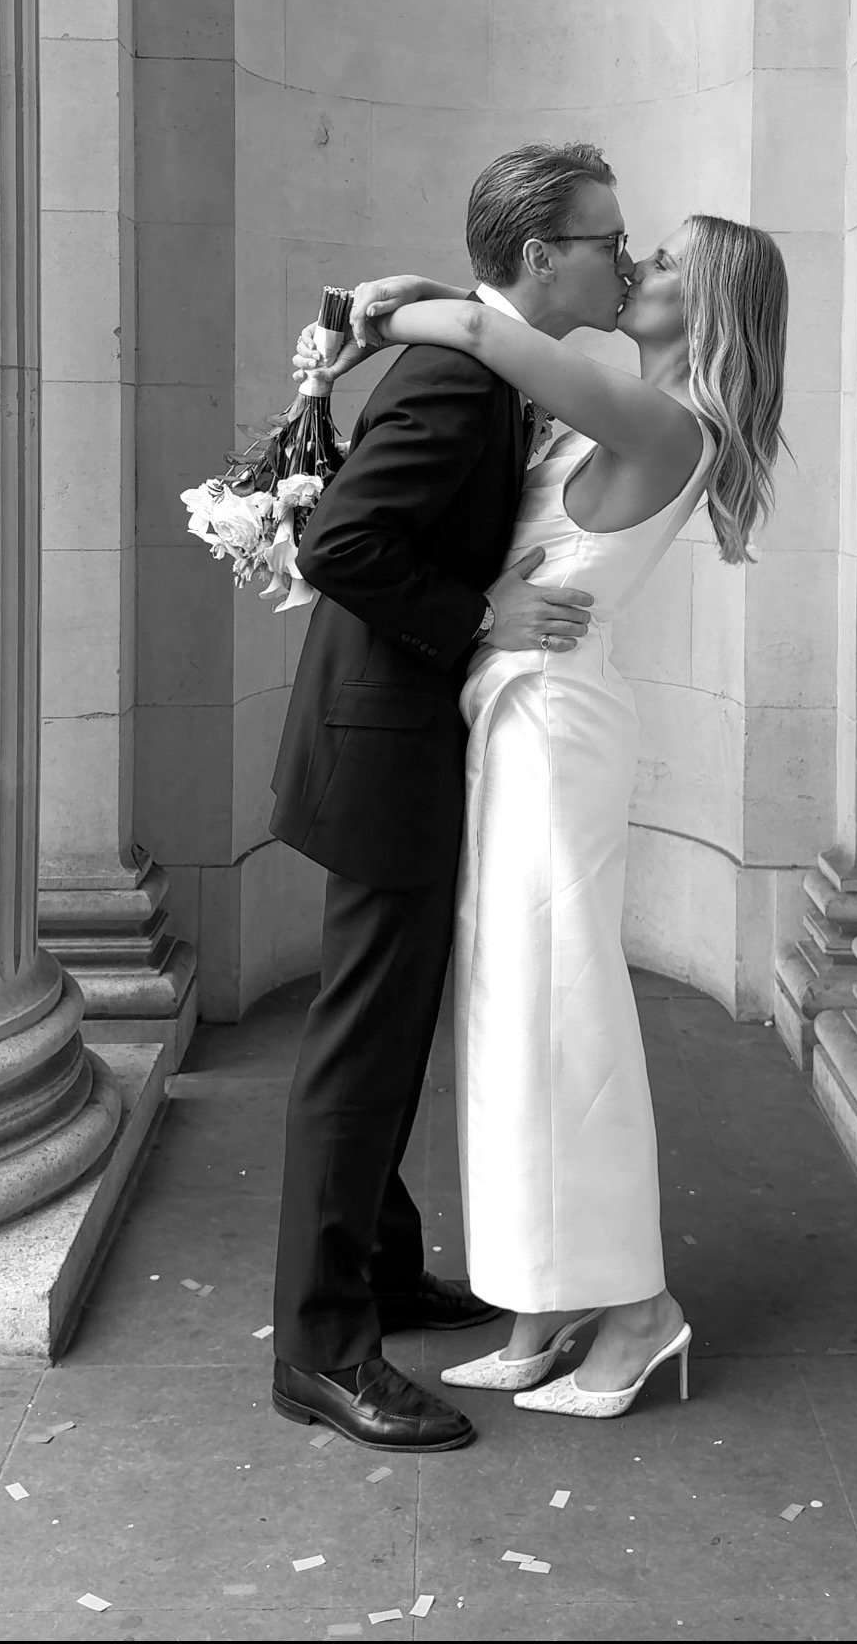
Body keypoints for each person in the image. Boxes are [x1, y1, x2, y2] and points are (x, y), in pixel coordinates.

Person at [308, 213, 788, 1421]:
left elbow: (481, 324)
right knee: (511, 1013)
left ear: (713, 303)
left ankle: (637, 1307)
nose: (640, 270)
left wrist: (383, 310)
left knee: (564, 1008)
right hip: (516, 714)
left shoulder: (668, 420)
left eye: (668, 262)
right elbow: (499, 346)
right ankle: (539, 1295)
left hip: (551, 728)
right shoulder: (606, 405)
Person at [268, 142, 633, 1452]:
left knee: (382, 1040)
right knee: (361, 1059)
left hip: (388, 740)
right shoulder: (461, 380)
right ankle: (321, 1351)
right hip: (382, 753)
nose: (623, 256)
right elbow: (342, 543)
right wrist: (483, 609)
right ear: (541, 256)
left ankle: (374, 1271)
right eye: (605, 238)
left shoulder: (487, 360)